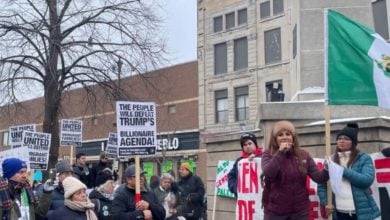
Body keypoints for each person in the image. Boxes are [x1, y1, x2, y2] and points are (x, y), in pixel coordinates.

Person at [261, 120, 329, 220]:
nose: (284, 137)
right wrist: (280, 153)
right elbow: (268, 173)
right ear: (275, 139)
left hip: (300, 212)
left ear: (293, 137)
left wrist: (327, 168)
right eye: (280, 135)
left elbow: (319, 178)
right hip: (275, 212)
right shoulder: (268, 154)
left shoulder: (303, 155)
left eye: (288, 134)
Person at [318, 123, 380, 220]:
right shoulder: (331, 160)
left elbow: (366, 180)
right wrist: (326, 203)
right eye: (339, 138)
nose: (341, 141)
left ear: (353, 142)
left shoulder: (363, 158)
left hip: (359, 213)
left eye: (346, 139)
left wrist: (341, 170)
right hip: (338, 213)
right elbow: (322, 185)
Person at [228, 132, 263, 197]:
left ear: (255, 144)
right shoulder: (239, 161)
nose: (248, 146)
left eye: (250, 143)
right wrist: (236, 189)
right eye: (245, 145)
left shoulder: (264, 157)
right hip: (244, 199)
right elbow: (231, 176)